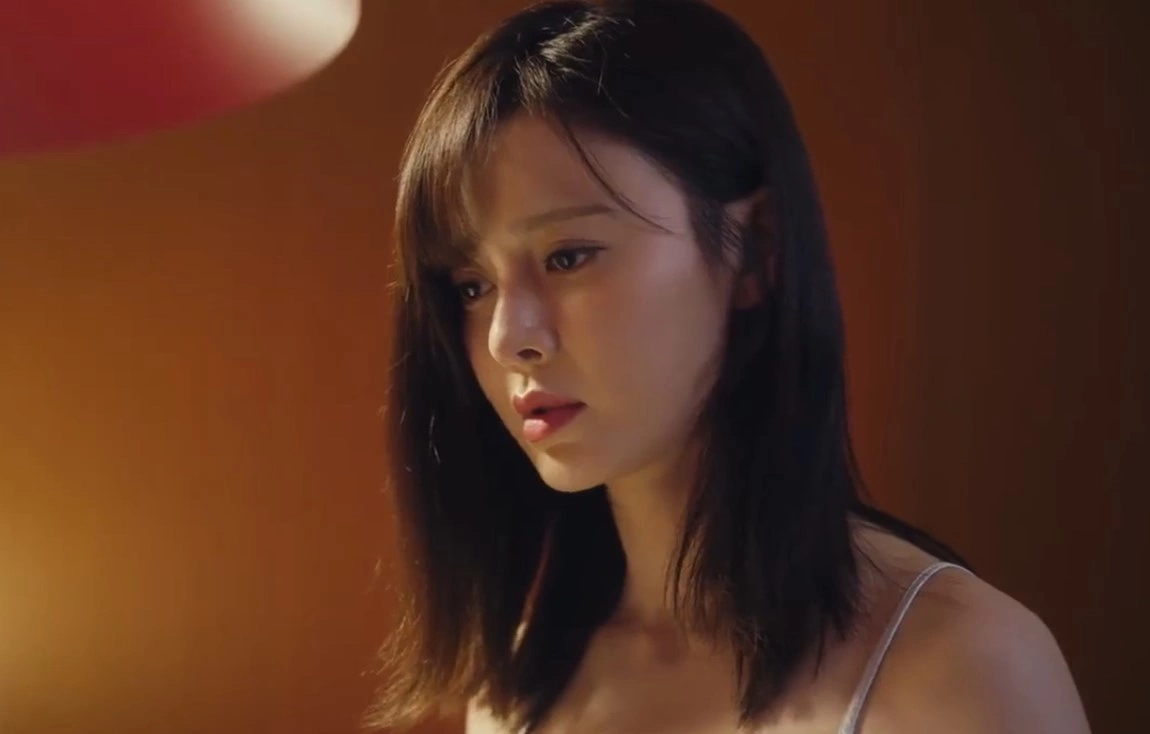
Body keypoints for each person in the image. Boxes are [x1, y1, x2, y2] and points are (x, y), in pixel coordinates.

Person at [364, 1, 1091, 732]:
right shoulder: (520, 685)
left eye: (568, 256)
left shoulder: (965, 670)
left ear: (756, 250)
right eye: (472, 286)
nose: (506, 337)